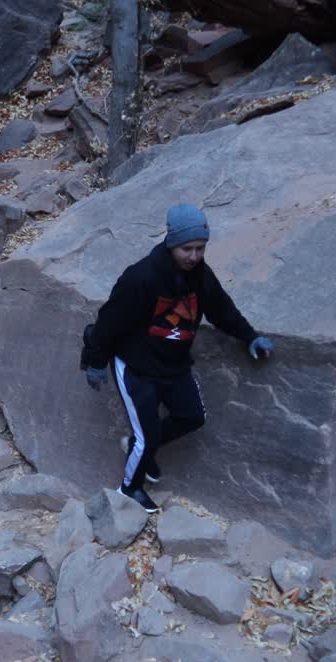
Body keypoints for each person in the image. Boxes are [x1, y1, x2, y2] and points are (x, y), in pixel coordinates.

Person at [80, 203, 274, 513]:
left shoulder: (200, 275)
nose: (194, 256)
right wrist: (95, 361)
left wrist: (249, 336)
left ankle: (139, 447)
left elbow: (221, 308)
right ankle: (129, 488)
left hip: (173, 365)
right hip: (136, 367)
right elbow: (109, 321)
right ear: (172, 242)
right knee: (148, 435)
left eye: (200, 248)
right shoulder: (141, 278)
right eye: (188, 248)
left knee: (192, 417)